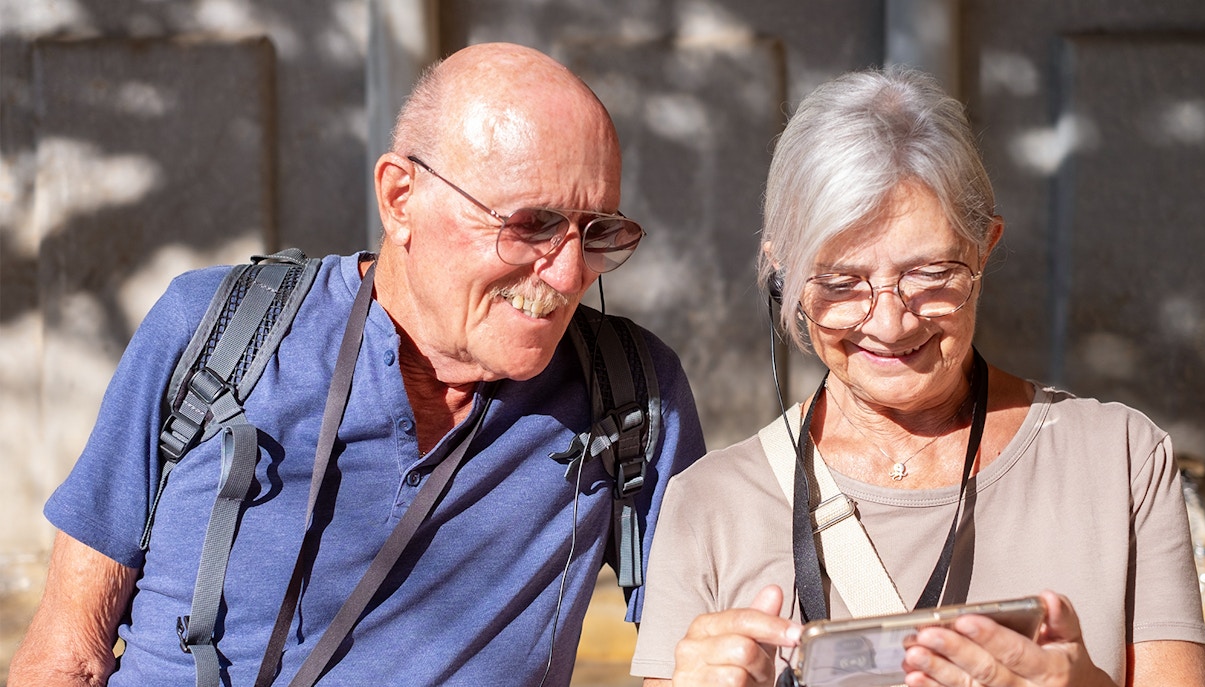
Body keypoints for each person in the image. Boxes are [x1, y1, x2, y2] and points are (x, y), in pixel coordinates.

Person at [11, 42, 705, 686]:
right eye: (532, 224)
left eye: (599, 232)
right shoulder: (214, 333)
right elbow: (67, 650)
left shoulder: (632, 397)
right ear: (401, 197)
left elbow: (689, 657)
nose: (567, 273)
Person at [630, 66, 1205, 687]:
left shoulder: (1121, 461)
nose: (889, 322)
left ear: (985, 248)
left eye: (931, 274)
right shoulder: (710, 505)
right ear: (784, 277)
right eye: (840, 282)